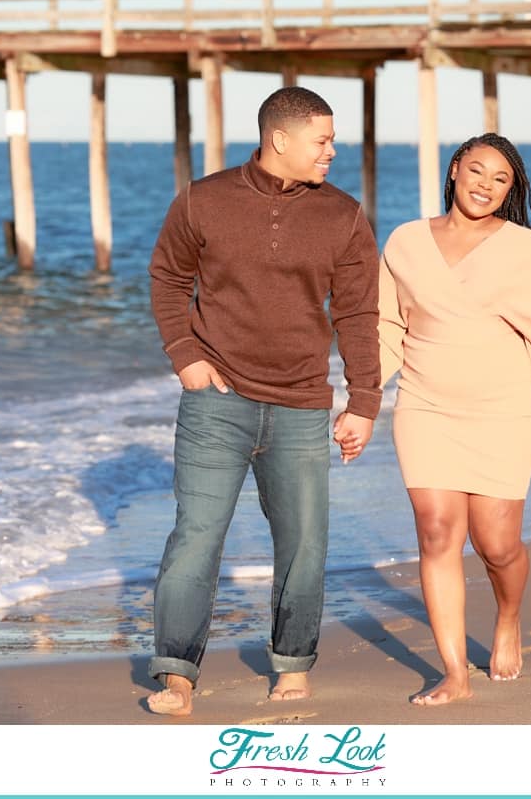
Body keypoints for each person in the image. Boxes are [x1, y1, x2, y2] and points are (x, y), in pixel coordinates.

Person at [146, 85, 381, 717]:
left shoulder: (344, 215)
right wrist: (186, 358)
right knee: (196, 537)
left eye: (332, 140)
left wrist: (363, 400)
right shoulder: (204, 199)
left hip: (303, 404)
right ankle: (176, 673)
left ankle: (293, 665)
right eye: (322, 140)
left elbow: (359, 312)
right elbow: (168, 277)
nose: (332, 150)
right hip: (216, 401)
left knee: (304, 542)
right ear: (281, 139)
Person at [378, 133, 531, 706]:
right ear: (454, 171)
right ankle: (454, 673)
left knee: (496, 544)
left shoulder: (524, 250)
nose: (486, 186)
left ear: (510, 190)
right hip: (424, 406)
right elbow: (388, 329)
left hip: (502, 411)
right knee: (438, 532)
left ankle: (508, 616)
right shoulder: (405, 241)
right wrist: (359, 398)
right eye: (477, 172)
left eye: (501, 180)